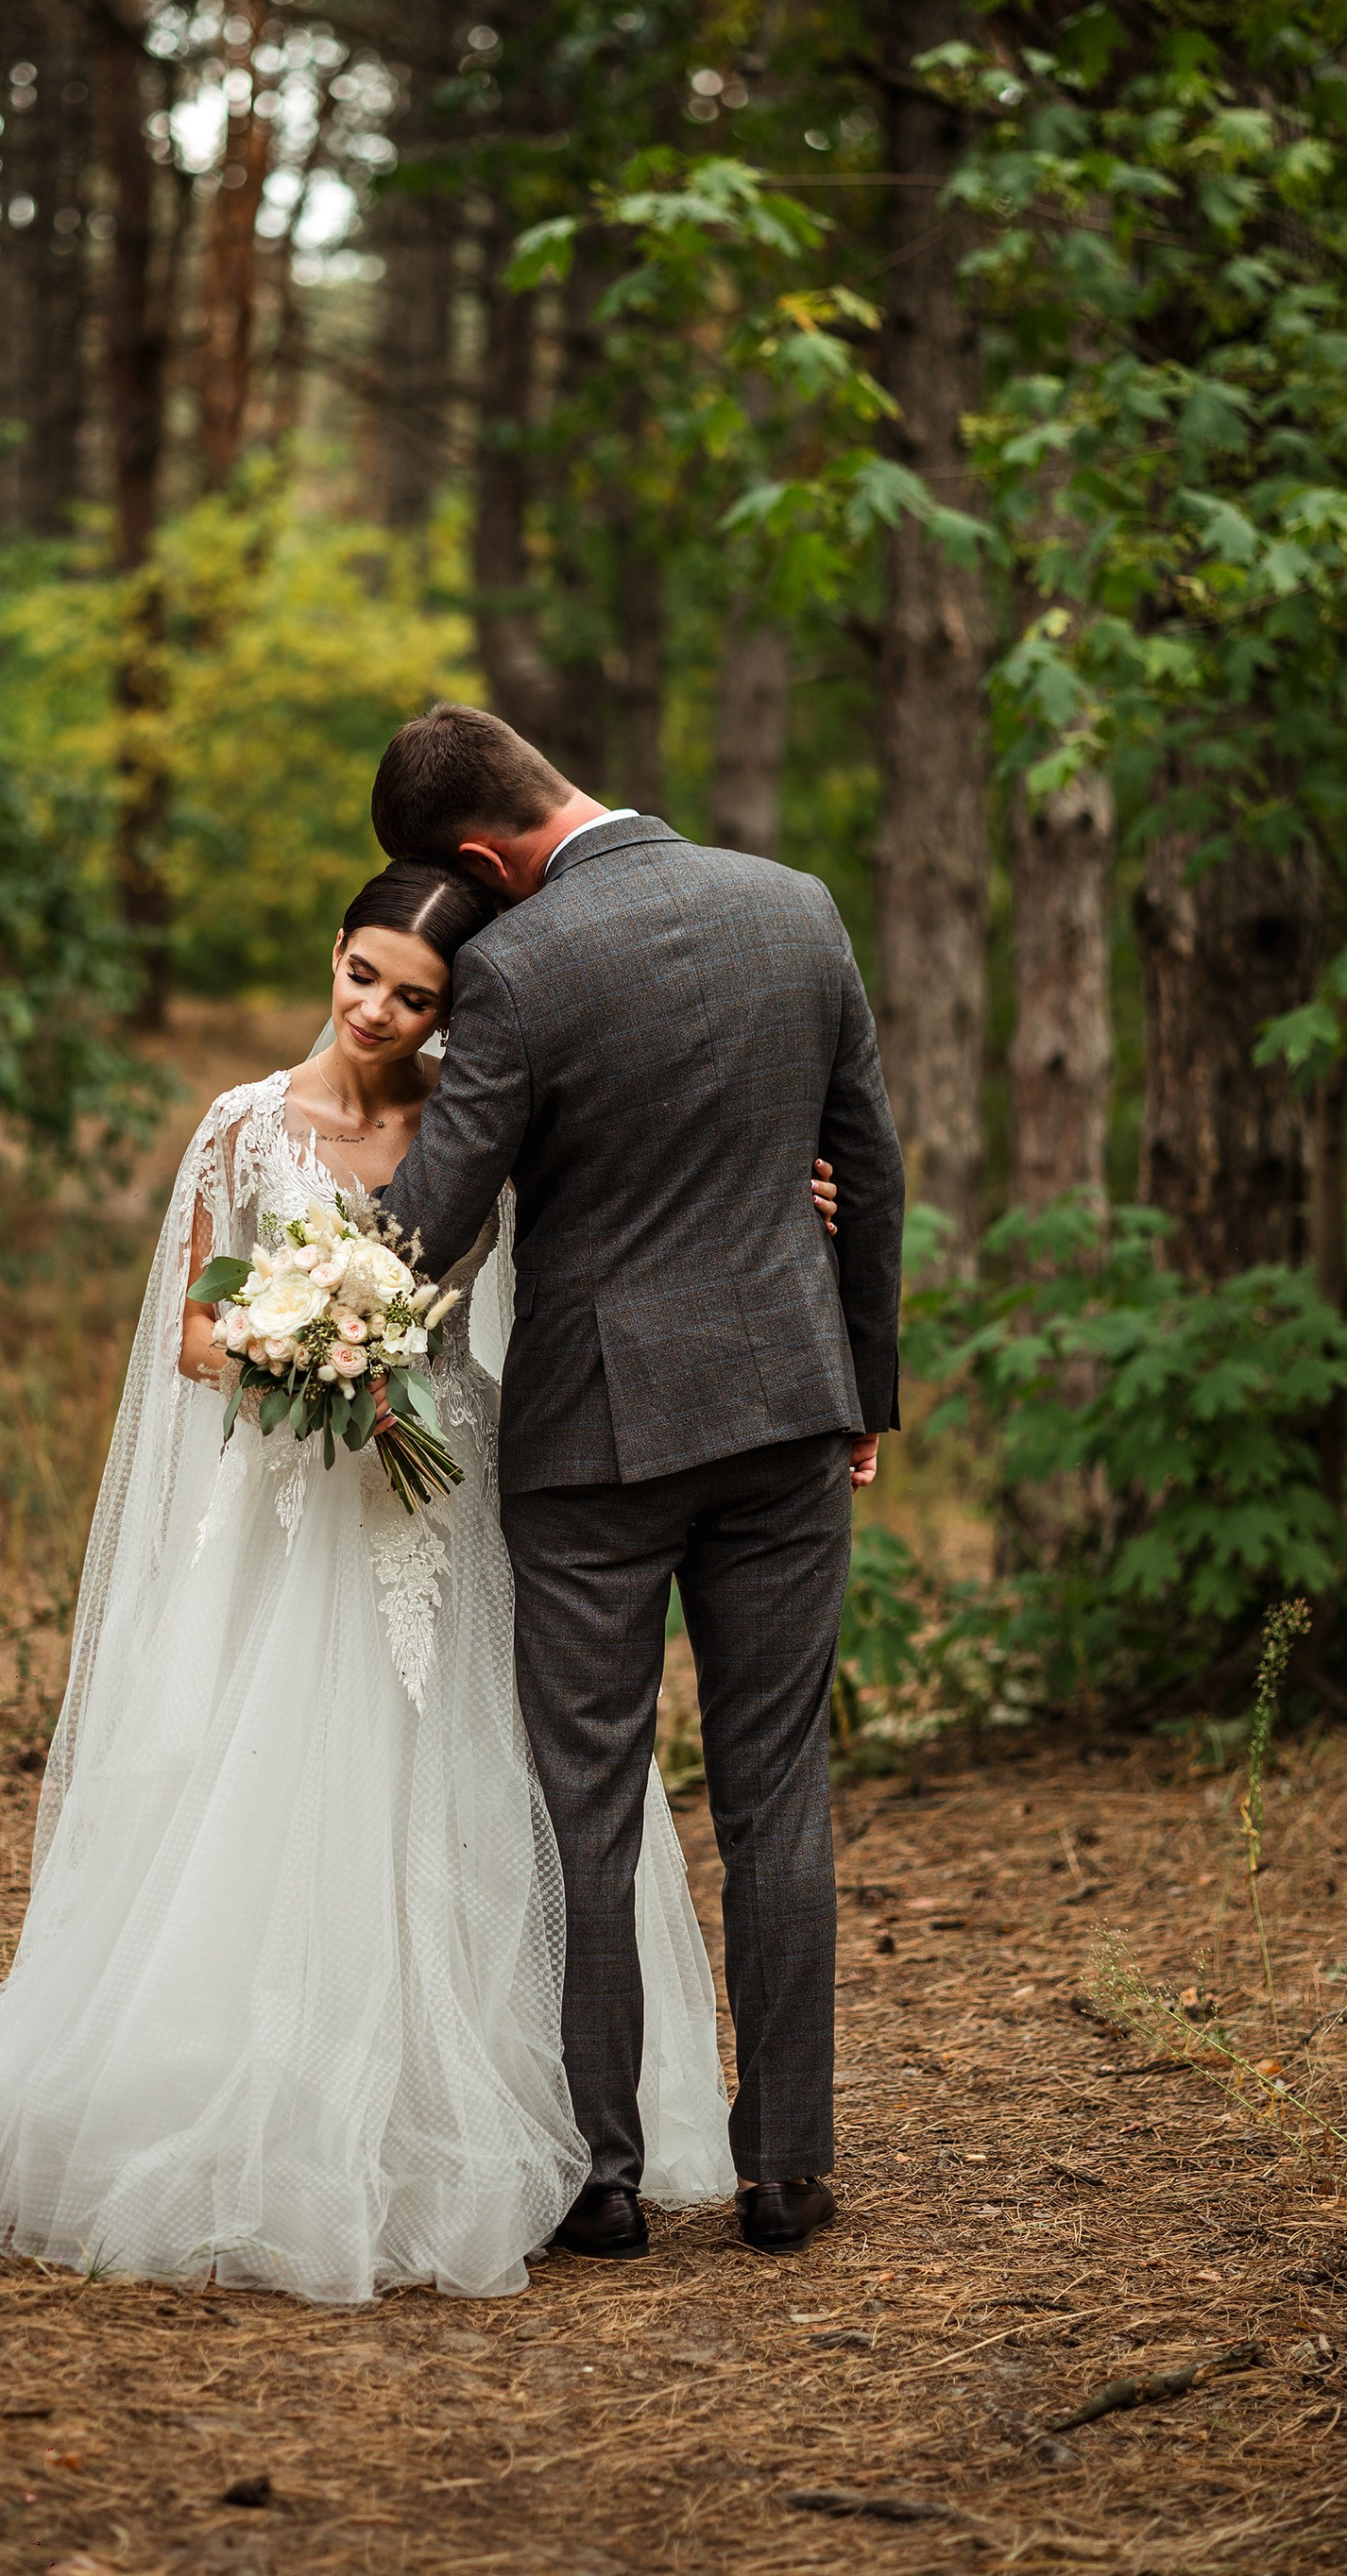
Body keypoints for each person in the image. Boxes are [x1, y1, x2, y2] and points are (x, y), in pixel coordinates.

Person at [0, 862, 736, 2305]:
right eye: (362, 973)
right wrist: (316, 1349)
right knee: (282, 1776)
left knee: (478, 1779)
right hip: (298, 1500)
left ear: (455, 1008)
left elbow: (631, 1206)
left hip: (456, 1486)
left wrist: (793, 1185)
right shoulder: (244, 1125)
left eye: (417, 995)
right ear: (334, 955)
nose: (378, 1011)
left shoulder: (478, 1120)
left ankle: (488, 2110)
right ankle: (257, 2106)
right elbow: (194, 1330)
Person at [371, 707, 905, 2261]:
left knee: (589, 1801)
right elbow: (865, 1164)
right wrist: (862, 1388)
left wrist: (306, 1255)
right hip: (788, 1411)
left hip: (595, 1443)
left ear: (481, 859)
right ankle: (787, 2168)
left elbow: (431, 1224)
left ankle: (603, 2175)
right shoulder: (794, 906)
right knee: (777, 1792)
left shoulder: (518, 973)